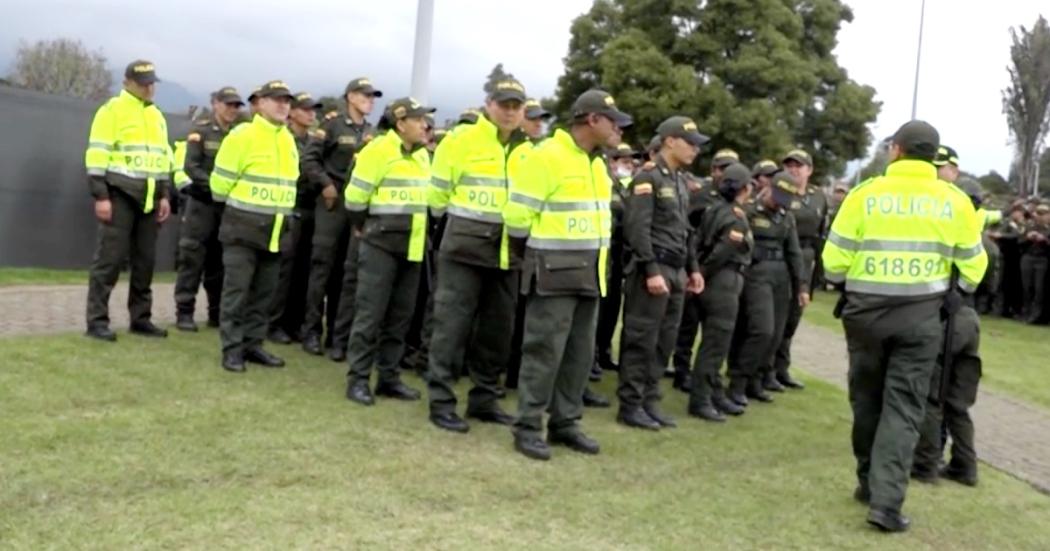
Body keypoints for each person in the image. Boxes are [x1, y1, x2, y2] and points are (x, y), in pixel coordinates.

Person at [823, 120, 987, 532]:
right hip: (921, 317)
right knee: (904, 408)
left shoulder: (864, 194)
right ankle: (887, 503)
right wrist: (957, 291)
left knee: (866, 401)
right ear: (933, 156)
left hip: (865, 317)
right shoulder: (953, 200)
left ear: (895, 149)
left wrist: (850, 285)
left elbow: (833, 262)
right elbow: (974, 264)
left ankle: (866, 482)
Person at [503, 89, 632, 461]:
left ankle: (565, 423)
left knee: (578, 355)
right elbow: (517, 217)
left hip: (590, 274)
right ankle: (528, 425)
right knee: (543, 352)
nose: (617, 129)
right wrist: (526, 259)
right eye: (613, 121)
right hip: (554, 272)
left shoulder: (597, 162)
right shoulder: (547, 156)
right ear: (592, 120)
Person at [423, 78, 532, 433]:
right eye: (504, 104)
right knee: (451, 328)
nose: (510, 111)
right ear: (489, 104)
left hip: (507, 255)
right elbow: (437, 197)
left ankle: (484, 399)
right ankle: (441, 401)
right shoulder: (460, 140)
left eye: (517, 106)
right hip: (464, 251)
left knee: (497, 332)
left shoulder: (528, 150)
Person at [343, 97, 435, 406]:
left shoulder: (423, 156)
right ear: (400, 123)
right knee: (370, 314)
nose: (425, 125)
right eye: (419, 119)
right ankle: (357, 378)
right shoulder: (378, 151)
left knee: (400, 317)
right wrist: (364, 229)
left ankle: (388, 377)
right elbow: (355, 200)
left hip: (412, 246)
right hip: (380, 245)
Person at [617, 116, 707, 430]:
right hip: (652, 269)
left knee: (664, 339)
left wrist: (693, 268)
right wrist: (650, 269)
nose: (695, 149)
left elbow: (685, 230)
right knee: (642, 337)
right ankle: (630, 403)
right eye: (690, 142)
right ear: (670, 141)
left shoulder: (680, 181)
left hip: (677, 269)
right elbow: (637, 229)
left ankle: (650, 400)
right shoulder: (648, 178)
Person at [209, 80, 300, 373]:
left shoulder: (287, 139)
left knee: (263, 295)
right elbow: (219, 187)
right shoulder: (242, 135)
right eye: (276, 99)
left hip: (275, 232)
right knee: (236, 293)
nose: (283, 105)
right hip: (243, 229)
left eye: (287, 100)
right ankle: (232, 349)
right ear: (259, 103)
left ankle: (253, 345)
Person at [84, 59, 173, 341]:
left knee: (145, 262)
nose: (149, 87)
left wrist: (164, 195)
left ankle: (140, 318)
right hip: (119, 194)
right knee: (109, 261)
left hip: (149, 197)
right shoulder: (112, 110)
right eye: (143, 82)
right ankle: (97, 321)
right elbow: (97, 155)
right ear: (127, 82)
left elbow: (163, 159)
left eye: (151, 82)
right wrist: (101, 195)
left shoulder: (157, 115)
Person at [911, 175, 986, 488]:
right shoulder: (983, 242)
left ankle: (926, 463)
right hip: (971, 319)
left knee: (931, 396)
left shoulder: (948, 235)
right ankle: (965, 466)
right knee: (958, 401)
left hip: (948, 318)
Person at [301, 78, 381, 360]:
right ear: (350, 96)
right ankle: (310, 330)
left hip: (356, 206)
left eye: (373, 97)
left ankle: (338, 334)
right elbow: (309, 159)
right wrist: (325, 184)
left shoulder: (372, 132)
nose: (370, 100)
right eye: (365, 95)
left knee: (346, 274)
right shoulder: (332, 124)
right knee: (322, 267)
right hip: (331, 204)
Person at [727, 173, 804, 407]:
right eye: (777, 196)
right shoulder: (750, 211)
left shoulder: (787, 216)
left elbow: (794, 252)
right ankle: (737, 383)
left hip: (781, 276)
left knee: (777, 334)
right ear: (768, 188)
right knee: (762, 330)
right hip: (756, 273)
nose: (779, 203)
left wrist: (801, 285)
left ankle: (755, 381)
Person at [173, 86, 245, 332]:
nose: (232, 110)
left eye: (236, 105)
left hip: (226, 208)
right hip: (202, 204)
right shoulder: (201, 131)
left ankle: (216, 313)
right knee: (192, 259)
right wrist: (216, 187)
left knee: (219, 263)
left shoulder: (240, 134)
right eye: (228, 104)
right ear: (215, 103)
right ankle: (184, 312)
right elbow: (191, 166)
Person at [687, 163, 753, 422]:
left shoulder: (714, 209)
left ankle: (714, 393)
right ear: (745, 188)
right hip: (722, 281)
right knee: (715, 344)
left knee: (715, 342)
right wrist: (702, 273)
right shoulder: (735, 216)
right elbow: (723, 251)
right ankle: (701, 399)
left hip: (714, 279)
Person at [672, 149, 739, 390]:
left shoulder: (736, 200)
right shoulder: (700, 195)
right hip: (697, 262)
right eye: (722, 167)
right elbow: (688, 229)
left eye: (730, 167)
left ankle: (707, 373)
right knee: (688, 323)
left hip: (720, 271)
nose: (725, 172)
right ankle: (681, 371)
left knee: (715, 328)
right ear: (713, 171)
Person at [268, 92, 324, 343]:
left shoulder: (313, 140)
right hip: (290, 208)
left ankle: (296, 322)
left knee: (304, 270)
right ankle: (274, 323)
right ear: (292, 113)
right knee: (284, 271)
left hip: (312, 209)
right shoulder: (284, 138)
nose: (311, 114)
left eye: (314, 110)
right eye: (306, 109)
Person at [771, 149, 826, 391]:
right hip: (782, 255)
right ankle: (767, 369)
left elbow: (822, 231)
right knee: (777, 315)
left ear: (809, 170)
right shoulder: (780, 192)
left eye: (799, 166)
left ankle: (782, 368)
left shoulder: (817, 196)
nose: (794, 169)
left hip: (807, 256)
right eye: (789, 165)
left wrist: (819, 271)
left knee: (794, 316)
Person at [1020, 204, 1050, 323]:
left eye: (1043, 214)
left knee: (1039, 289)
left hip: (1042, 259)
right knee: (1026, 287)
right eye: (1038, 214)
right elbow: (1018, 240)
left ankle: (1035, 315)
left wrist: (1044, 240)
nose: (1040, 217)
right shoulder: (1029, 227)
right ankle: (1026, 312)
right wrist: (1027, 237)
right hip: (1028, 257)